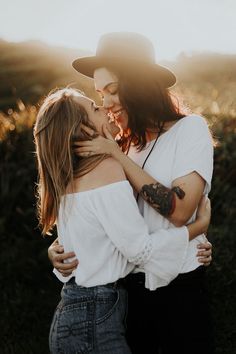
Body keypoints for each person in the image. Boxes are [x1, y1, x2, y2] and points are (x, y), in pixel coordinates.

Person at [48, 32, 215, 353]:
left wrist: (117, 155)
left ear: (141, 85)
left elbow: (179, 210)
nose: (106, 103)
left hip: (177, 292)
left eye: (113, 90)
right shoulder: (120, 142)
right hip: (125, 296)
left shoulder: (189, 130)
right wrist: (59, 250)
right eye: (99, 93)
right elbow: (96, 211)